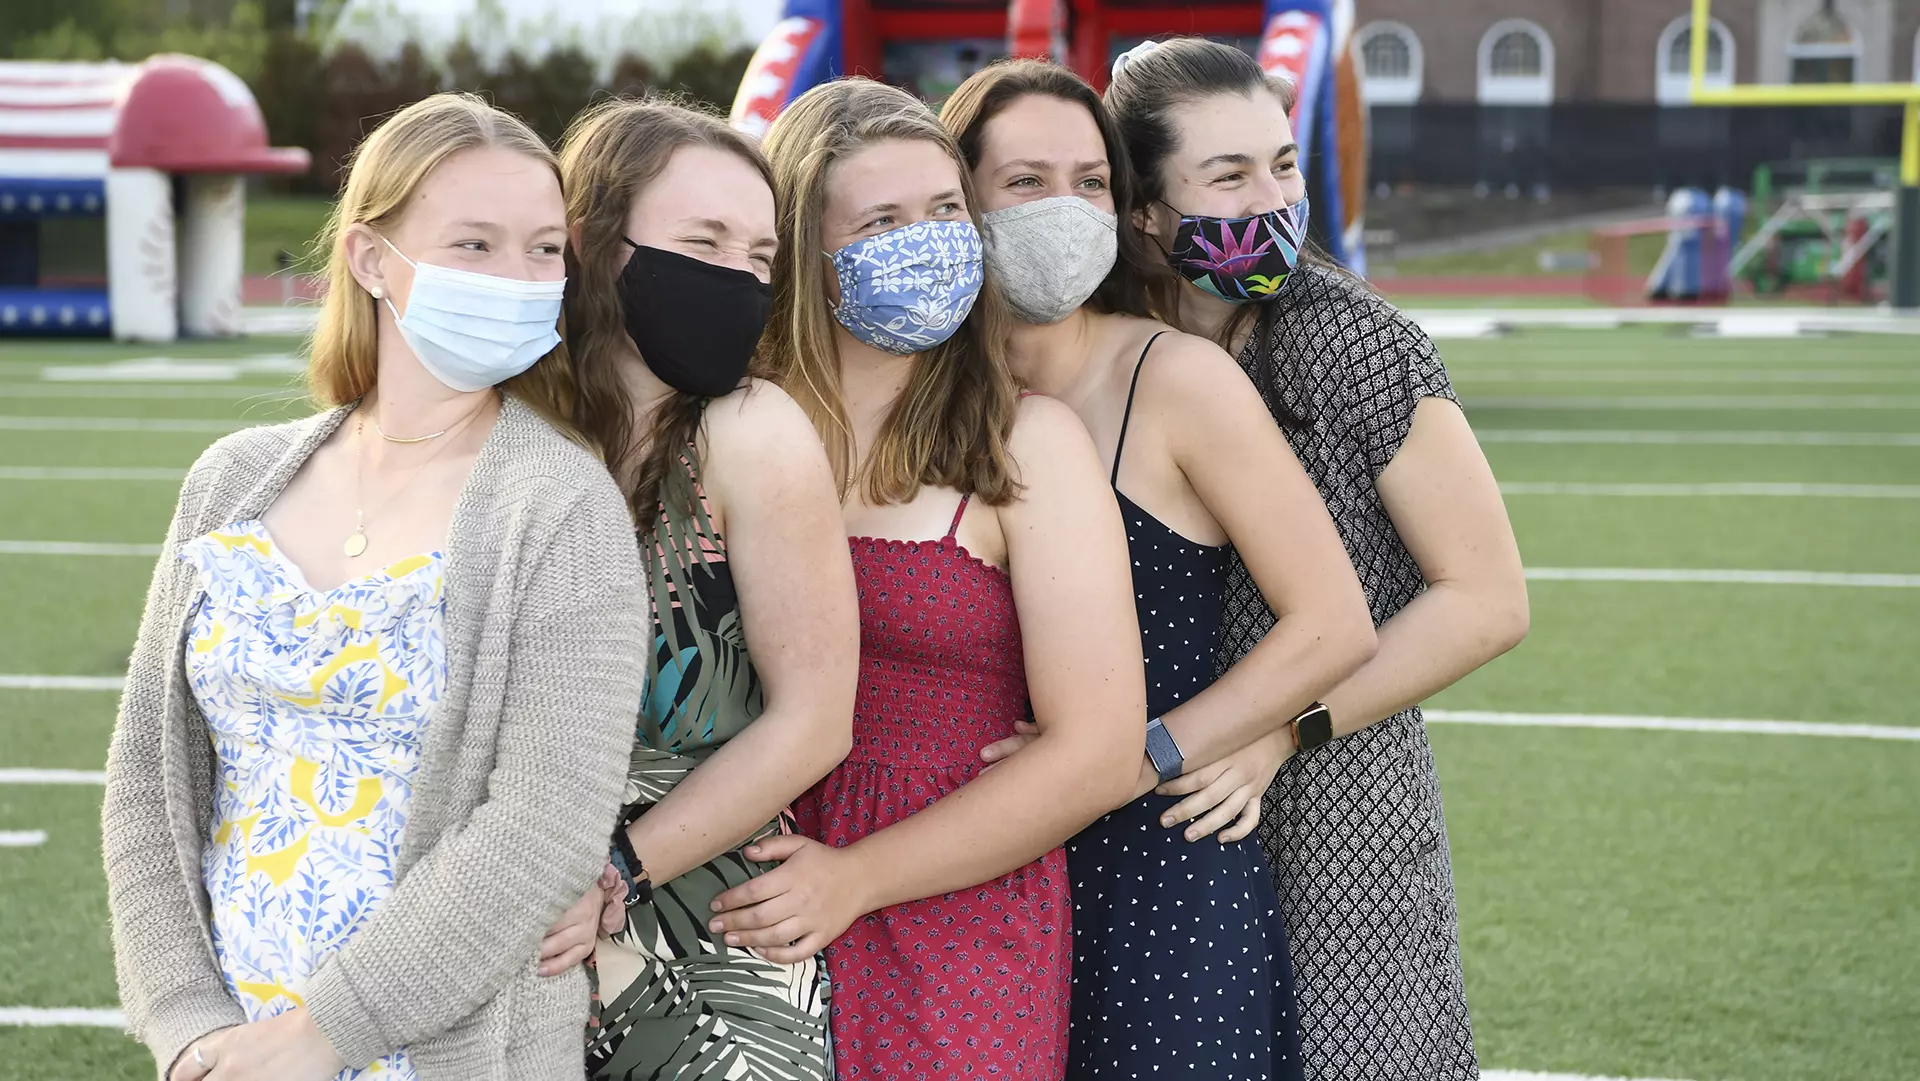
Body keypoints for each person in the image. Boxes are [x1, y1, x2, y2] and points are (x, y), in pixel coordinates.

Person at [101, 93, 648, 1081]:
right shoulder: (231, 480)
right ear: (369, 259)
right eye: (474, 245)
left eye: (541, 251)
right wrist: (189, 1025)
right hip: (231, 1052)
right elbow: (147, 772)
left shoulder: (562, 505)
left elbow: (546, 818)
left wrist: (317, 1038)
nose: (518, 280)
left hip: (440, 1052)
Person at [941, 59, 1378, 1081]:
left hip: (1156, 872)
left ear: (1128, 208)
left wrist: (1135, 758)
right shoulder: (926, 395)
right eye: (1025, 183)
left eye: (1090, 183)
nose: (1064, 210)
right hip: (968, 867)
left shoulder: (1177, 378)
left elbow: (1333, 622)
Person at [1104, 38, 1531, 1081]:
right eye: (1229, 175)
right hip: (1148, 800)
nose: (1272, 197)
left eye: (1283, 165)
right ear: (1144, 211)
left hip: (1338, 798)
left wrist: (1280, 735)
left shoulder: (1357, 344)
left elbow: (1487, 599)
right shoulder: (1101, 348)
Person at [703, 78, 1148, 1080]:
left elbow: (1098, 749)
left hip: (953, 911)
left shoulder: (1026, 441)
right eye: (883, 219)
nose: (930, 238)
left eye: (948, 209)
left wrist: (857, 878)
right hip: (739, 888)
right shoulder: (728, 425)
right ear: (806, 254)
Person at [530, 98, 860, 1080]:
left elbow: (814, 720)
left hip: (706, 942)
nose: (736, 277)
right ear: (590, 243)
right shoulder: (506, 422)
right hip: (510, 930)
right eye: (702, 240)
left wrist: (618, 873)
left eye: (758, 258)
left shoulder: (755, 432)